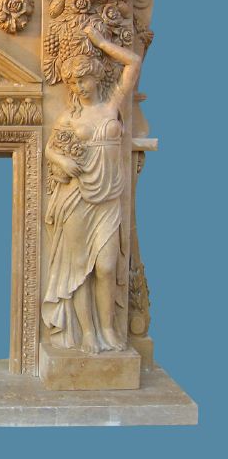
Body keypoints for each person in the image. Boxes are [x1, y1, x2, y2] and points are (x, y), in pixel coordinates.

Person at [42, 25, 141, 354]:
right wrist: (63, 161)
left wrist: (100, 42)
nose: (78, 87)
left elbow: (133, 62)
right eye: (72, 83)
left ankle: (108, 329)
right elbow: (49, 149)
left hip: (108, 198)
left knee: (107, 267)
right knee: (80, 270)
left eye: (83, 80)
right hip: (77, 198)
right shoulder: (69, 118)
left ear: (96, 78)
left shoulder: (113, 106)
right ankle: (88, 334)